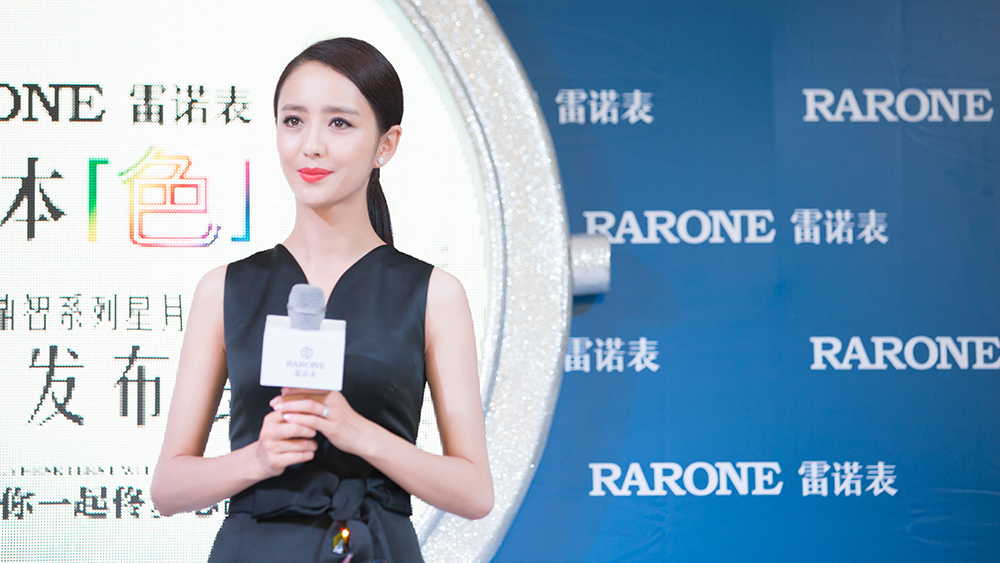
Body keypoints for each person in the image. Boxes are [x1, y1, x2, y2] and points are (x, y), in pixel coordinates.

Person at [150, 38, 494, 563]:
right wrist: (258, 459)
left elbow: (474, 492)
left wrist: (360, 435)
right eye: (294, 121)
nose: (311, 145)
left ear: (386, 145)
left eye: (339, 123)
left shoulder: (433, 294)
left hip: (376, 546)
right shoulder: (225, 289)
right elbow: (168, 488)